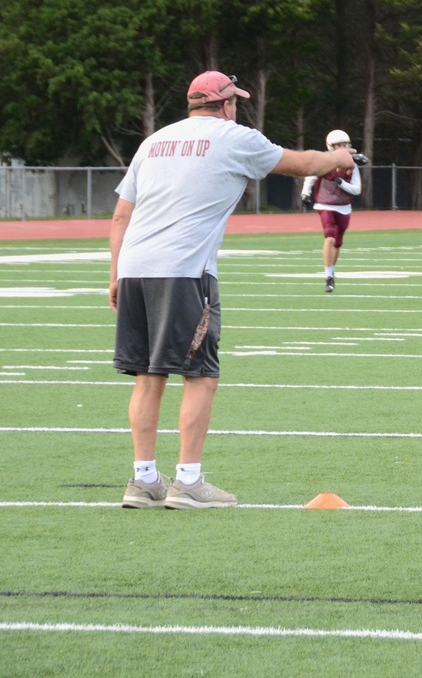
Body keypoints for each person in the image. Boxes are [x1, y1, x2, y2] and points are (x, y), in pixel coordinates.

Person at [111, 71, 357, 510]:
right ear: (225, 104)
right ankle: (188, 481)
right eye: (235, 101)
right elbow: (302, 164)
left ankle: (143, 480)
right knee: (201, 375)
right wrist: (338, 156)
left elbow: (120, 216)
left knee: (149, 376)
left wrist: (115, 273)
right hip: (184, 270)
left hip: (134, 267)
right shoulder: (232, 136)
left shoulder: (154, 141)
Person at [300, 128, 363, 293]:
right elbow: (312, 175)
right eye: (338, 145)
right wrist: (305, 193)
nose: (342, 147)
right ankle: (328, 276)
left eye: (344, 144)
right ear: (331, 147)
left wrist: (340, 182)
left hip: (344, 206)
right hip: (325, 204)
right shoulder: (325, 161)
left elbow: (357, 189)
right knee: (329, 237)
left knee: (338, 242)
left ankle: (331, 272)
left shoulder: (352, 164)